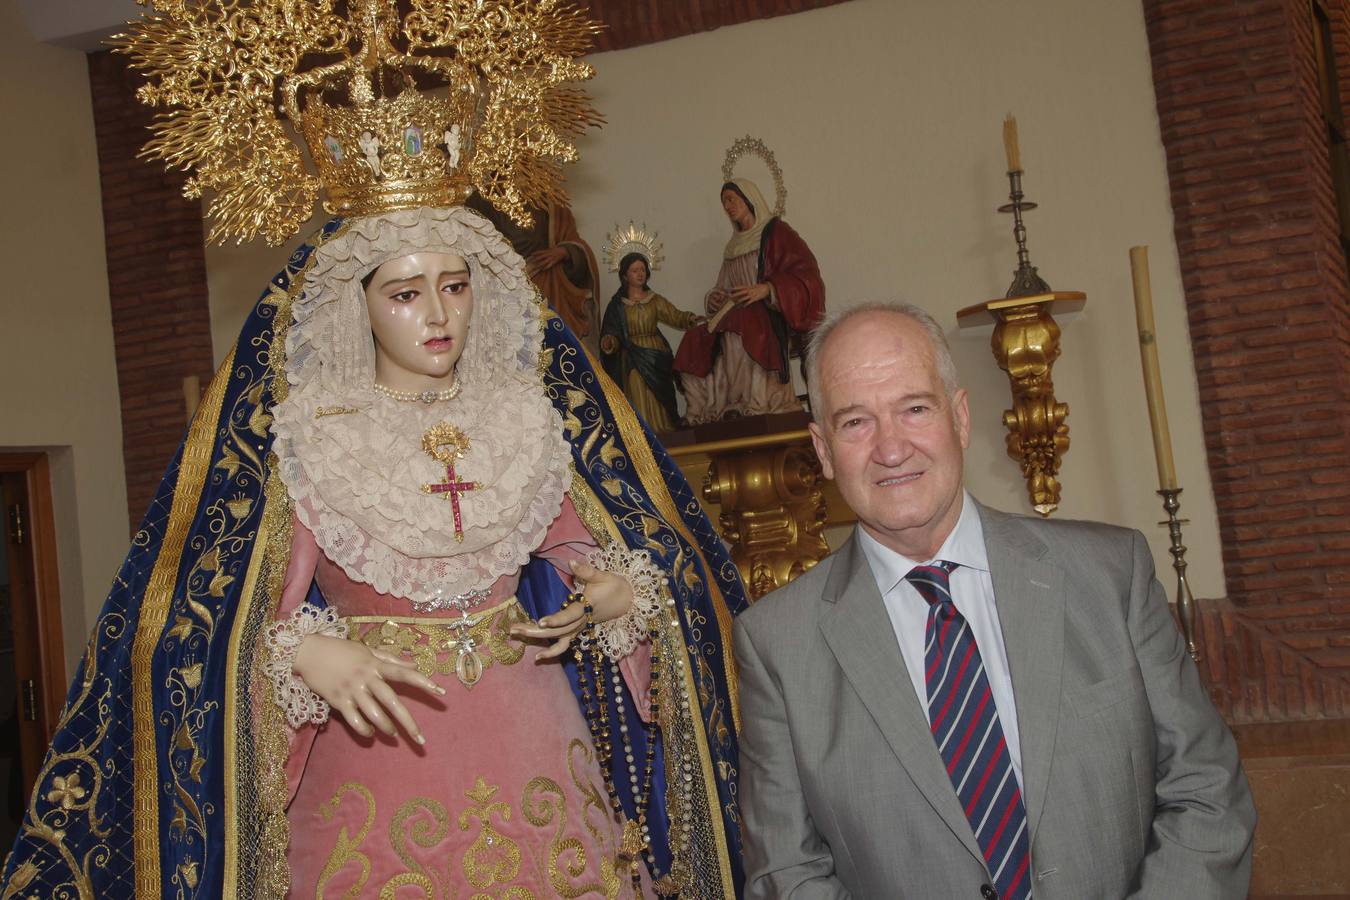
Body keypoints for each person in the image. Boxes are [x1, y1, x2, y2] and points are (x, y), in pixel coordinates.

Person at [733, 302, 1256, 899]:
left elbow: (1206, 789)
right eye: (855, 423)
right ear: (823, 450)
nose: (891, 448)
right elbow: (788, 875)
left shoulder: (1111, 575)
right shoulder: (776, 643)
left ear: (959, 418)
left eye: (914, 408)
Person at [673, 179, 825, 423]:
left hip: (772, 312)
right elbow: (723, 286)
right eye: (724, 203)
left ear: (749, 199)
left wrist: (767, 289)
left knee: (744, 322)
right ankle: (708, 408)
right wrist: (714, 298)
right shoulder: (733, 246)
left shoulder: (777, 233)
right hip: (735, 312)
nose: (728, 206)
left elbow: (807, 274)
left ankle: (755, 402)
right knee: (695, 337)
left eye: (732, 199)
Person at [467, 193, 602, 347]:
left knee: (556, 344)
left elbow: (573, 241)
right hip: (499, 286)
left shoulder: (547, 200)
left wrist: (564, 251)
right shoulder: (479, 200)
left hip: (547, 283)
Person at [600, 252, 703, 432]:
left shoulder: (654, 300)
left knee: (661, 395)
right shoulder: (617, 304)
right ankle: (644, 433)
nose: (640, 273)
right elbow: (611, 334)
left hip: (656, 354)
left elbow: (674, 315)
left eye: (642, 269)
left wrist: (690, 319)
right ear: (625, 275)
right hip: (633, 355)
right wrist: (610, 343)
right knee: (637, 386)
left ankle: (665, 429)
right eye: (634, 270)